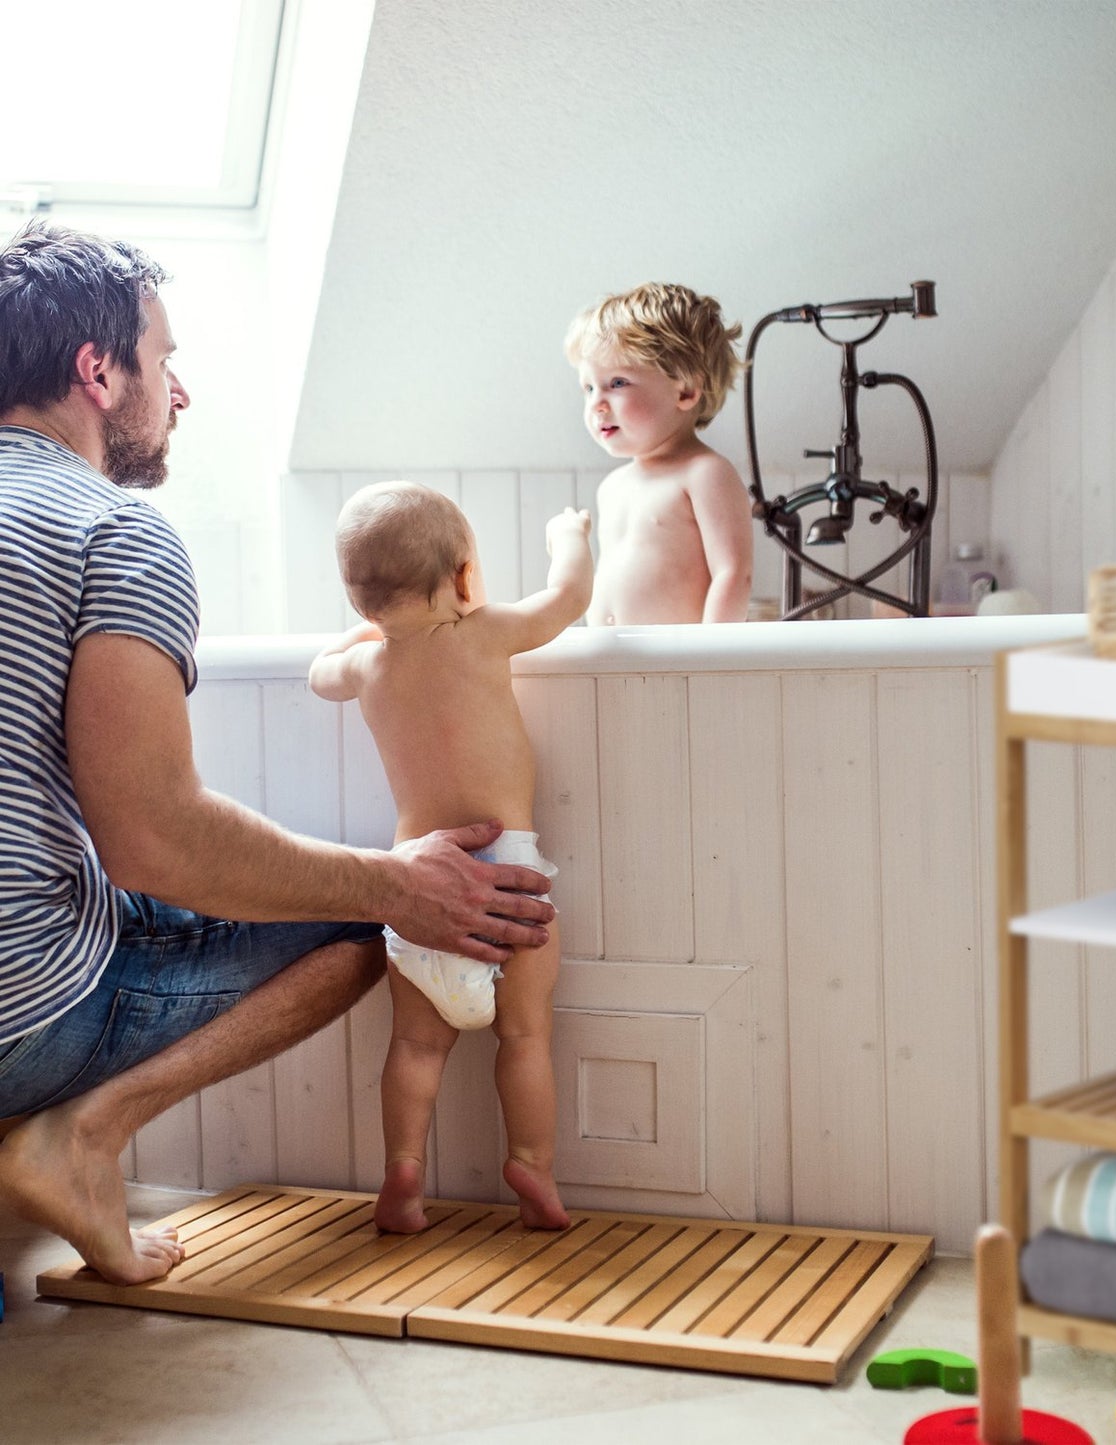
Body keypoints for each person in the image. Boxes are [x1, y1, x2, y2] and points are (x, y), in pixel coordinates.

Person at [0, 221, 556, 1286]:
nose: (180, 391)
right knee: (361, 905)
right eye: (165, 361)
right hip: (17, 1015)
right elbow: (152, 838)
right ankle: (79, 1135)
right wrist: (396, 882)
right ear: (97, 370)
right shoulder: (110, 529)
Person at [309, 482, 592, 1232]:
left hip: (418, 889)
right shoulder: (486, 631)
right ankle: (531, 1163)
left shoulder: (368, 667)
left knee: (414, 1045)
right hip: (508, 880)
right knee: (525, 1033)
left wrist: (365, 632)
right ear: (466, 578)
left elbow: (316, 673)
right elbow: (567, 600)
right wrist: (570, 536)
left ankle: (403, 1173)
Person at [565, 282, 753, 625]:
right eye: (588, 388)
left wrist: (709, 657)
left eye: (617, 383)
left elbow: (732, 573)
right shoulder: (612, 486)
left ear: (685, 390)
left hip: (677, 662)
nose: (597, 404)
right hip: (610, 659)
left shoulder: (704, 473)